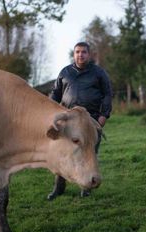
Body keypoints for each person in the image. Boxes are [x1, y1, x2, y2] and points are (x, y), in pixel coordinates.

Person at [47, 41, 112, 199]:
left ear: (89, 55)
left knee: (89, 154)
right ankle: (59, 187)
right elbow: (55, 94)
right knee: (64, 154)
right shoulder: (65, 72)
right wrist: (50, 112)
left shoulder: (98, 73)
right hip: (69, 122)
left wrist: (103, 116)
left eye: (83, 52)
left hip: (91, 120)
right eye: (77, 52)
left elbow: (108, 94)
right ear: (74, 54)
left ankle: (87, 186)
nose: (80, 55)